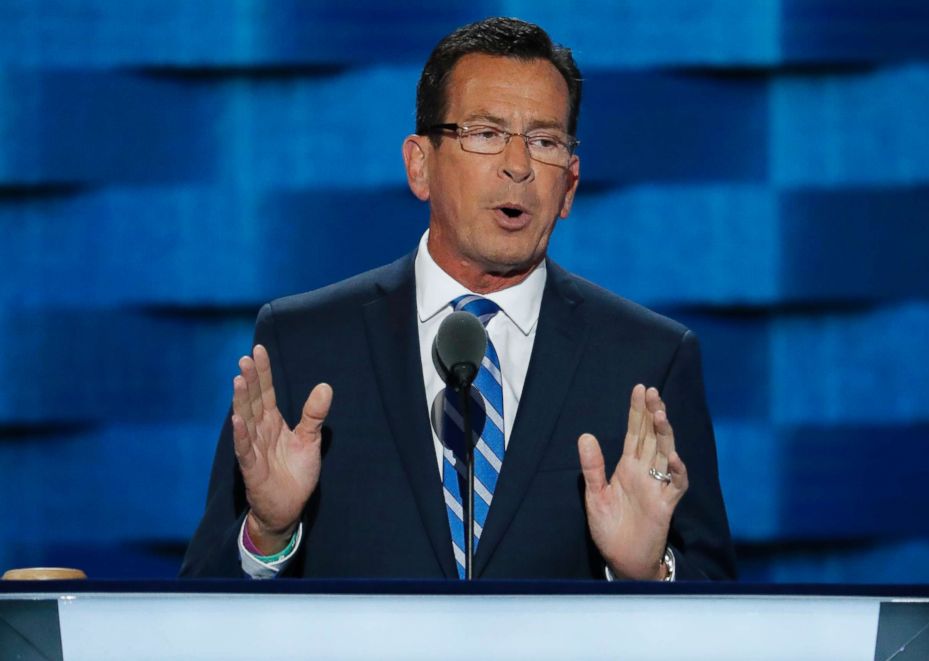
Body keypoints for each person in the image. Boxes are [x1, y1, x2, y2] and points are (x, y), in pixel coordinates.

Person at [180, 17, 736, 581]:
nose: (518, 166)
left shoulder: (647, 362)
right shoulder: (303, 343)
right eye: (486, 133)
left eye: (544, 141)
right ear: (420, 166)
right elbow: (196, 599)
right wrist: (269, 532)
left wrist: (648, 572)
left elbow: (724, 608)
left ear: (568, 186)